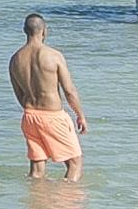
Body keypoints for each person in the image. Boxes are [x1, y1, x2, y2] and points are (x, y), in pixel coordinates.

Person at [10, 12, 88, 176]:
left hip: (29, 116)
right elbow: (69, 91)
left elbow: (19, 94)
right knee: (75, 163)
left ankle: (36, 200)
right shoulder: (54, 56)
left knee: (37, 168)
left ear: (25, 30)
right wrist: (80, 115)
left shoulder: (15, 59)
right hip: (53, 116)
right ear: (45, 31)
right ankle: (66, 200)